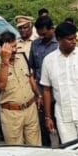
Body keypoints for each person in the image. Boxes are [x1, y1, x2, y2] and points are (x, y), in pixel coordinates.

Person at [0, 31, 42, 146]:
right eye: (11, 47)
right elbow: (0, 85)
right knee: (16, 150)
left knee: (36, 147)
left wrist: (38, 95)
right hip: (11, 114)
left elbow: (30, 77)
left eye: (15, 46)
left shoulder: (22, 57)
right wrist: (5, 61)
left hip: (30, 109)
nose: (15, 50)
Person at [29, 15, 59, 147]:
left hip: (58, 90)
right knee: (44, 125)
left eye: (44, 34)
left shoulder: (59, 43)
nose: (41, 37)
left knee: (61, 124)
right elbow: (33, 69)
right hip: (41, 91)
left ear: (52, 29)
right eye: (39, 34)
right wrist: (37, 93)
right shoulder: (35, 44)